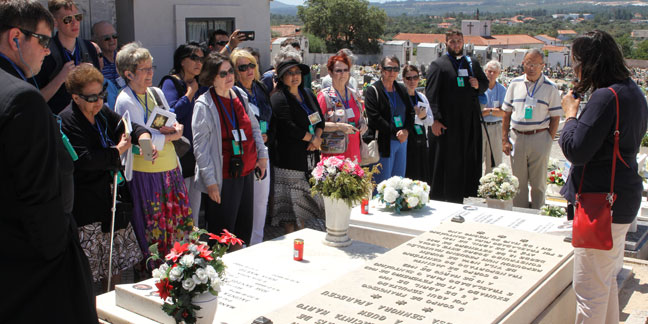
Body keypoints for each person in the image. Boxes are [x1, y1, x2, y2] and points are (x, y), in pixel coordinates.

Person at [0, 1, 97, 321]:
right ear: (16, 38)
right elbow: (38, 194)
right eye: (42, 40)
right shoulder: (23, 99)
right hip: (31, 263)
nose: (46, 51)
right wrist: (60, 254)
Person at [560, 30, 648, 324]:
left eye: (576, 62)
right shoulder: (632, 91)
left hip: (600, 205)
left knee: (589, 291)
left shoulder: (605, 97)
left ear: (589, 63)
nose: (574, 69)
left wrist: (570, 115)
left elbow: (576, 149)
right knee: (605, 282)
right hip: (620, 201)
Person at [59, 65, 149, 288]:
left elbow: (126, 125)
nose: (98, 101)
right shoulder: (68, 119)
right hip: (87, 203)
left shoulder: (101, 113)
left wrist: (144, 138)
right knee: (90, 266)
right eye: (91, 97)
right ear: (76, 97)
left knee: (115, 262)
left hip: (112, 198)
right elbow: (85, 160)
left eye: (101, 94)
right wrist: (117, 151)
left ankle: (113, 300)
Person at [114, 42, 193, 262]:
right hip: (146, 174)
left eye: (151, 68)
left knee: (177, 226)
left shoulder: (156, 92)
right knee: (153, 229)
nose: (150, 73)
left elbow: (171, 120)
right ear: (129, 73)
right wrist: (168, 136)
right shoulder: (125, 100)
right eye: (144, 69)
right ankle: (154, 274)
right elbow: (141, 140)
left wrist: (175, 129)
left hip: (170, 170)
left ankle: (179, 267)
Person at [192, 52, 268, 244]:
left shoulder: (239, 95)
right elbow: (200, 149)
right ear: (211, 78)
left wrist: (262, 155)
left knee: (243, 230)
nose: (229, 77)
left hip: (246, 172)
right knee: (222, 235)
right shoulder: (204, 105)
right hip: (222, 178)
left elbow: (254, 128)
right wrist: (210, 182)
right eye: (223, 74)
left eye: (230, 71)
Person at [425, 30, 488, 203]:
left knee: (468, 161)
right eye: (452, 41)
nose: (456, 44)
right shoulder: (438, 65)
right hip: (448, 125)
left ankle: (468, 195)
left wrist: (477, 85)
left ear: (463, 42)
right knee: (448, 163)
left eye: (458, 41)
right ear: (446, 43)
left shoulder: (471, 63)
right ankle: (445, 198)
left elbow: (484, 84)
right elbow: (431, 95)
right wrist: (435, 120)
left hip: (469, 124)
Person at [269, 46, 325, 233]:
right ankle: (293, 242)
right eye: (289, 73)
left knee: (307, 209)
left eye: (297, 72)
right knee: (290, 214)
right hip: (289, 162)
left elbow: (320, 119)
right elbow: (288, 126)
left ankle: (303, 239)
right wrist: (312, 139)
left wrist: (316, 137)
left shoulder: (308, 93)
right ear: (281, 77)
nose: (294, 76)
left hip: (309, 160)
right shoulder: (278, 97)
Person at [502, 49, 562, 209]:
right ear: (523, 64)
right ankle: (520, 213)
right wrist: (504, 139)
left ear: (543, 66)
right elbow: (506, 113)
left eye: (535, 64)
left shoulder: (551, 87)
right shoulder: (514, 84)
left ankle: (538, 213)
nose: (531, 67)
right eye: (528, 63)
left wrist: (548, 139)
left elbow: (555, 117)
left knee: (538, 182)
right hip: (517, 137)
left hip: (539, 137)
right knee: (518, 181)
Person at [159, 42, 208, 226]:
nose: (199, 62)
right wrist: (189, 93)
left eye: (201, 59)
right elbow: (170, 115)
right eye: (194, 58)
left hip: (196, 153)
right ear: (181, 61)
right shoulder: (170, 82)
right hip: (178, 154)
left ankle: (193, 246)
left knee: (194, 210)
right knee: (179, 207)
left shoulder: (200, 83)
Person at [231, 48, 273, 245]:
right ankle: (242, 243)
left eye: (251, 65)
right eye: (243, 67)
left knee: (261, 201)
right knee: (244, 204)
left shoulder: (260, 88)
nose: (249, 70)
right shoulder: (233, 92)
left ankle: (257, 241)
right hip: (244, 153)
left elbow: (270, 116)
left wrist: (267, 134)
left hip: (263, 150)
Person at [33, 0, 100, 114]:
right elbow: (36, 101)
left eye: (78, 17)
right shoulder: (44, 51)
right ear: (55, 22)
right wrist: (61, 78)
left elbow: (99, 91)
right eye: (68, 19)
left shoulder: (89, 48)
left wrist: (92, 75)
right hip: (57, 121)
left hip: (86, 118)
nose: (75, 23)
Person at [365, 56, 415, 185]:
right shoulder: (373, 90)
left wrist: (406, 131)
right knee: (382, 184)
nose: (392, 72)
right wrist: (395, 132)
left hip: (401, 141)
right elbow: (375, 118)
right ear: (381, 69)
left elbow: (410, 112)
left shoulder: (401, 90)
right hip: (384, 142)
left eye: (395, 69)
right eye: (388, 68)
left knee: (398, 183)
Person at [317, 52, 367, 163]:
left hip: (354, 151)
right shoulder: (324, 96)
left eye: (345, 70)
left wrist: (363, 125)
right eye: (338, 71)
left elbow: (361, 118)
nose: (342, 74)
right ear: (330, 73)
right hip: (334, 154)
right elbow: (315, 124)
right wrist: (339, 126)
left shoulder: (355, 94)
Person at [402, 64, 434, 182]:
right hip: (406, 140)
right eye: (409, 78)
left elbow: (430, 121)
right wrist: (417, 118)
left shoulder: (422, 97)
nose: (412, 81)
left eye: (415, 78)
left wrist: (423, 116)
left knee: (421, 175)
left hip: (420, 140)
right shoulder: (401, 97)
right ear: (403, 79)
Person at [481, 60, 507, 174]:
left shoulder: (502, 90)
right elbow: (476, 112)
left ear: (499, 73)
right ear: (485, 71)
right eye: (489, 71)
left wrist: (487, 111)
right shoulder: (479, 88)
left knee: (494, 161)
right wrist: (494, 111)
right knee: (478, 158)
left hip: (496, 127)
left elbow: (504, 112)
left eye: (494, 72)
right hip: (481, 127)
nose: (491, 74)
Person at [91, 21, 123, 87]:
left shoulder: (123, 59)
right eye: (107, 38)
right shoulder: (95, 64)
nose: (112, 40)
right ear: (96, 40)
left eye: (114, 36)